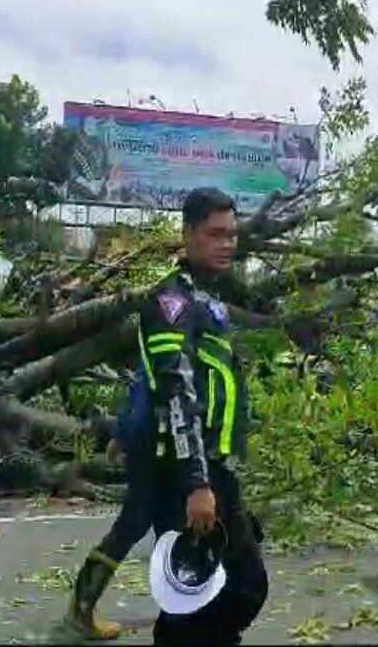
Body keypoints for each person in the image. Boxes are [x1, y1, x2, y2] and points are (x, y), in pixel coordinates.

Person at [141, 187, 268, 645]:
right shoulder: (170, 304)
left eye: (232, 235)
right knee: (209, 594)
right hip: (184, 474)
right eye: (215, 234)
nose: (227, 243)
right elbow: (175, 394)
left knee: (229, 590)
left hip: (214, 469)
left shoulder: (206, 301)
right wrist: (196, 483)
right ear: (188, 234)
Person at [65, 367, 155, 640]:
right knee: (134, 526)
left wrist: (121, 434)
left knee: (144, 526)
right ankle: (82, 608)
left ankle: (82, 607)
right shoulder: (170, 340)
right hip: (159, 454)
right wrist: (122, 433)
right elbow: (143, 406)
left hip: (158, 450)